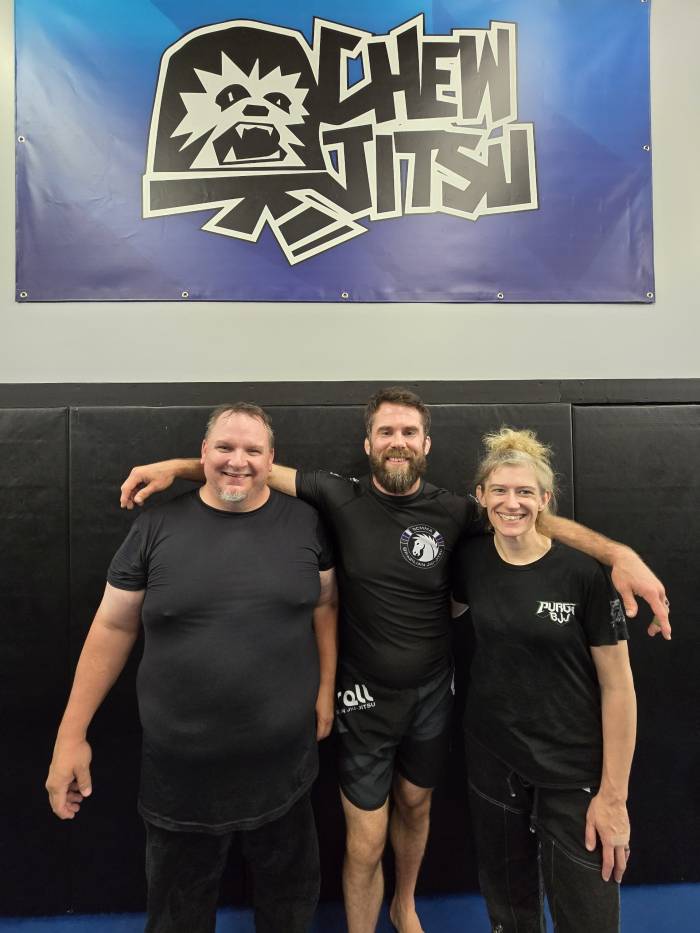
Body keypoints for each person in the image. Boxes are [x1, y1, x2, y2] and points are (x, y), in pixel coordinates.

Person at [118, 388, 669, 933]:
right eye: (386, 432)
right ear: (369, 442)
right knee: (364, 840)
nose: (397, 441)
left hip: (431, 696)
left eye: (409, 432)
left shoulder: (456, 510)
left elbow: (530, 517)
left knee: (415, 807)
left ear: (426, 443)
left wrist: (618, 554)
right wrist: (179, 467)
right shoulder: (338, 493)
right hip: (363, 697)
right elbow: (249, 468)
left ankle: (404, 906)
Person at [46, 403, 338, 933]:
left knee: (290, 909)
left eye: (252, 450)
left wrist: (325, 690)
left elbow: (325, 605)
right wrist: (71, 735)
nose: (237, 461)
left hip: (285, 770)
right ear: (203, 452)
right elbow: (112, 627)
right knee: (177, 918)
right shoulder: (156, 526)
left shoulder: (306, 523)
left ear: (271, 459)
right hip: (181, 778)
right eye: (224, 447)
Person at [451, 428, 636, 932]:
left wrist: (613, 797)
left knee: (589, 918)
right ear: (481, 496)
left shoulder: (582, 573)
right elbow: (438, 612)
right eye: (500, 490)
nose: (511, 503)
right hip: (493, 758)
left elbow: (619, 688)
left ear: (545, 500)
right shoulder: (470, 561)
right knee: (509, 913)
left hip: (570, 767)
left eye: (524, 492)